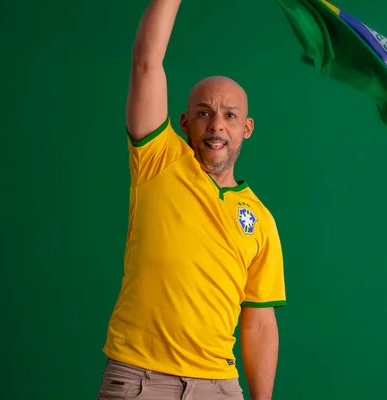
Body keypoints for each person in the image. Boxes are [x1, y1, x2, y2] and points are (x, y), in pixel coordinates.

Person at [97, 1, 286, 399]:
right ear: (184, 123)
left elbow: (260, 323)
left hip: (220, 386)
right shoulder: (158, 159)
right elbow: (147, 63)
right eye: (204, 113)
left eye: (230, 115)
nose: (216, 123)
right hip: (139, 381)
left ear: (247, 129)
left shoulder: (261, 220)